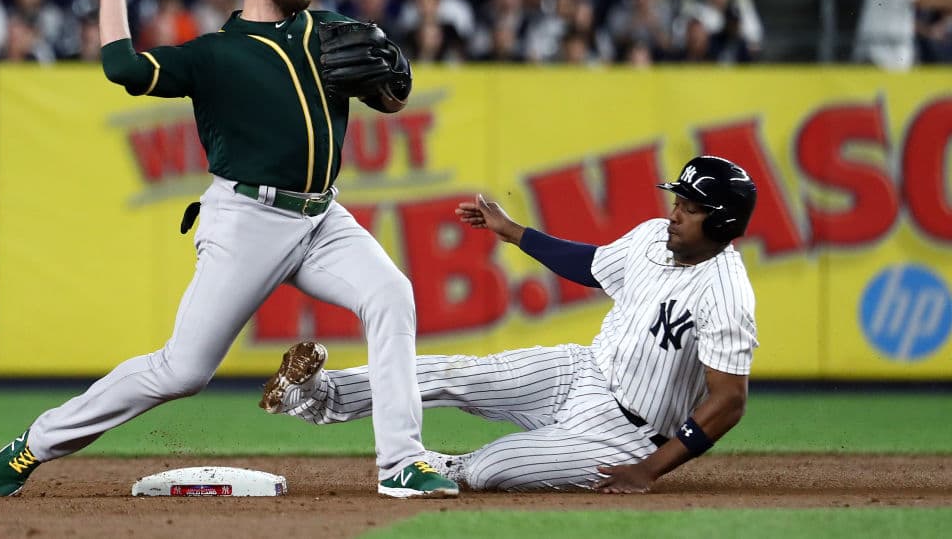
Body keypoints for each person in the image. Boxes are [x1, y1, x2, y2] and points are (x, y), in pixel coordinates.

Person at [0, 0, 457, 500]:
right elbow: (121, 66)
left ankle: (401, 464)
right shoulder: (215, 55)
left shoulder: (328, 30)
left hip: (322, 217)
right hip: (247, 220)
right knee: (182, 371)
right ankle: (36, 442)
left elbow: (389, 95)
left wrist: (391, 84)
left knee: (391, 294)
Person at [264, 155, 758, 492]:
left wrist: (649, 471)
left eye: (689, 209)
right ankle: (316, 393)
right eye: (677, 201)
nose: (674, 214)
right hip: (578, 372)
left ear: (722, 224)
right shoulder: (653, 238)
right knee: (457, 374)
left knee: (492, 469)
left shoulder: (726, 294)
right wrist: (513, 232)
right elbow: (590, 265)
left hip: (626, 433)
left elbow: (728, 400)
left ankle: (448, 468)